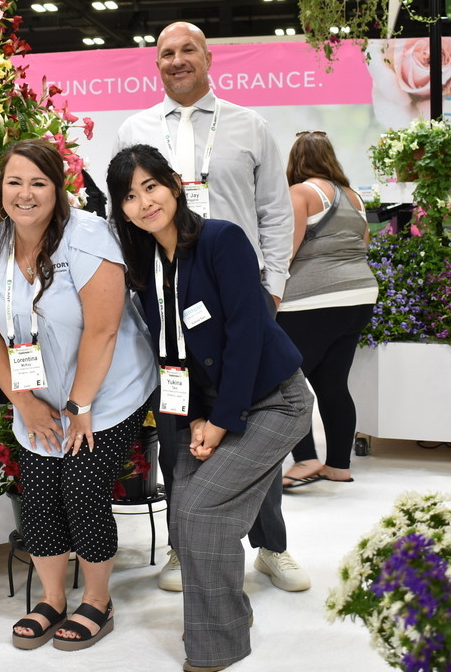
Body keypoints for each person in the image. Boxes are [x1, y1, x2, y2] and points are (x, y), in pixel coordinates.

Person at [113, 20, 307, 594]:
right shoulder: (135, 129)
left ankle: (271, 547)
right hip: (165, 298)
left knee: (247, 420)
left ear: (207, 57)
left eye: (188, 50)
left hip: (235, 296)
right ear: (156, 63)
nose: (177, 60)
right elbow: (123, 211)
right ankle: (183, 544)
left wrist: (273, 289)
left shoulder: (249, 125)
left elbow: (275, 211)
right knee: (178, 430)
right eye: (166, 53)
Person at [106, 144, 312, 672]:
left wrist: (220, 422)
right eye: (129, 196)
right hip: (205, 405)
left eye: (151, 186)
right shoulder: (145, 264)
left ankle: (218, 644)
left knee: (201, 511)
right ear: (121, 209)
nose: (144, 202)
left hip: (274, 400)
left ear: (175, 185)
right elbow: (171, 351)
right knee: (187, 516)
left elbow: (246, 336)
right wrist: (197, 415)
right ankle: (226, 616)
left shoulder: (221, 239)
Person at [0, 139, 156, 651]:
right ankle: (51, 599)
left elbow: (104, 329)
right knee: (39, 494)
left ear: (58, 189)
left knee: (83, 487)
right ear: (0, 188)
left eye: (38, 183)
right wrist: (24, 403)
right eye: (14, 182)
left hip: (108, 392)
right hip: (38, 396)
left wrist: (80, 406)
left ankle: (97, 601)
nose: (24, 194)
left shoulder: (87, 235)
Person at [274, 132, 378, 488]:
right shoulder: (354, 197)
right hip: (359, 296)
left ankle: (305, 459)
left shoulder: (300, 193)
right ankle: (338, 466)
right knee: (333, 384)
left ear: (296, 160)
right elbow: (363, 244)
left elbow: (286, 252)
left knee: (284, 382)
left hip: (313, 300)